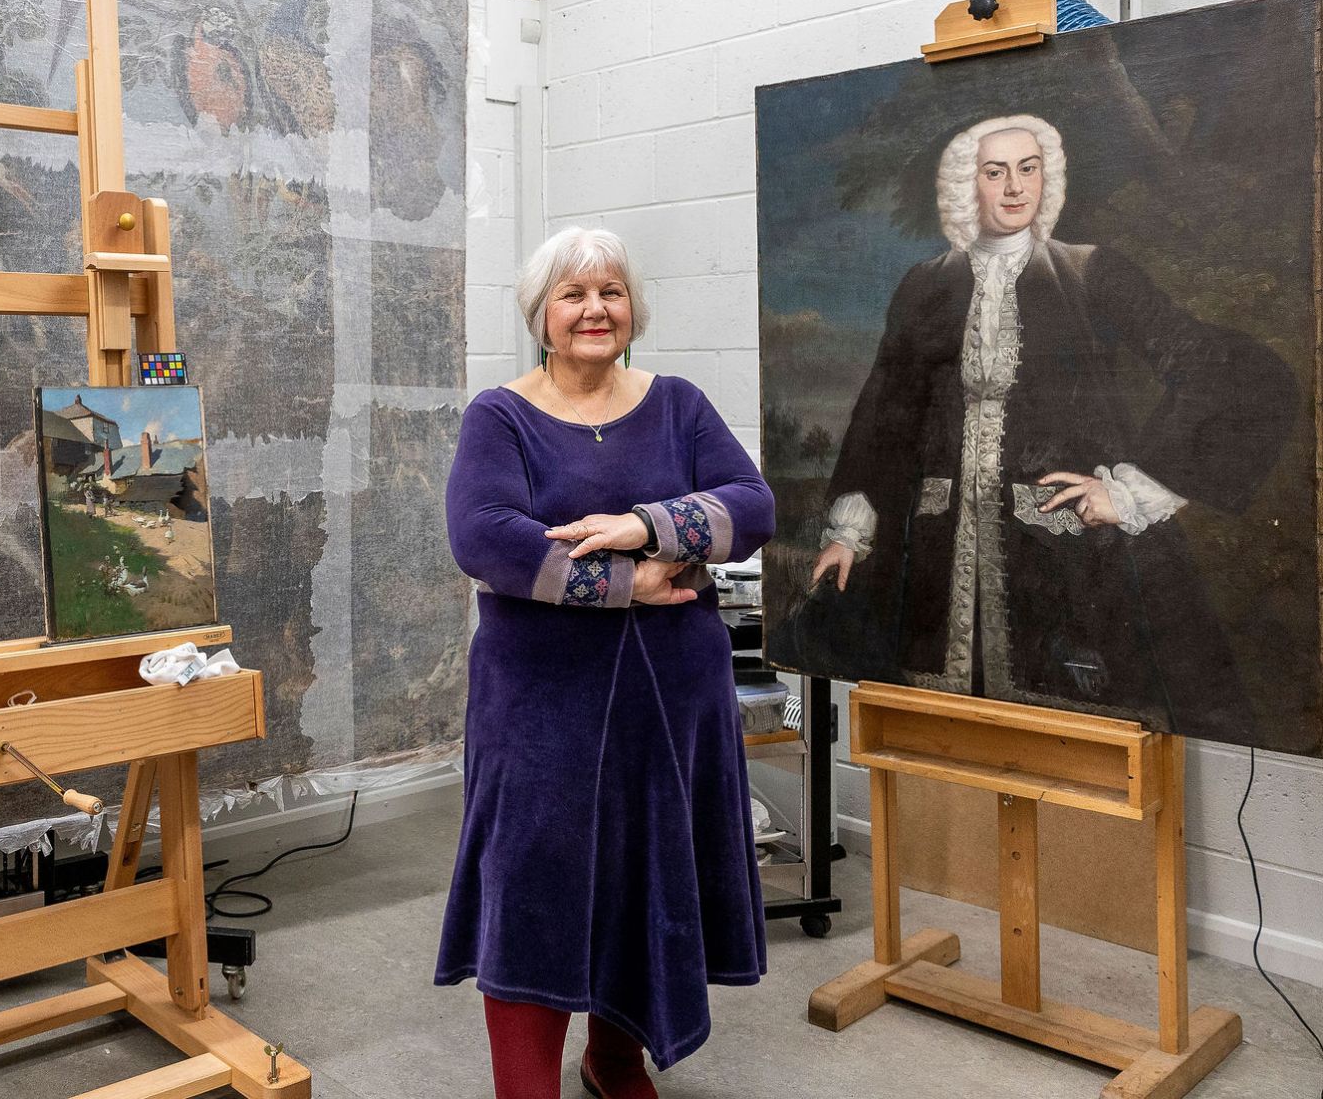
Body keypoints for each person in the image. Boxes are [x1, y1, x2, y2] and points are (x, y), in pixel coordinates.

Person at [805, 114, 1294, 734]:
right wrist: (852, 529)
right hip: (934, 560)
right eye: (995, 172)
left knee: (1076, 745)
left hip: (1068, 560)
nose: (1015, 187)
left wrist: (1133, 489)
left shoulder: (1093, 272)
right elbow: (886, 413)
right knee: (937, 739)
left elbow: (1218, 368)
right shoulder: (925, 285)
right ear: (967, 185)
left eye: (1028, 169)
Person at [435, 226, 774, 1099]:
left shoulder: (678, 404)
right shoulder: (500, 415)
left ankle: (615, 1057)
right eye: (574, 295)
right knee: (534, 887)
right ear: (541, 315)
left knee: (646, 872)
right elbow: (484, 537)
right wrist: (630, 582)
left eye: (611, 292)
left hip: (670, 696)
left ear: (633, 310)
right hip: (541, 702)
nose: (595, 309)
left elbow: (753, 505)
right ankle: (526, 1088)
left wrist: (644, 525)